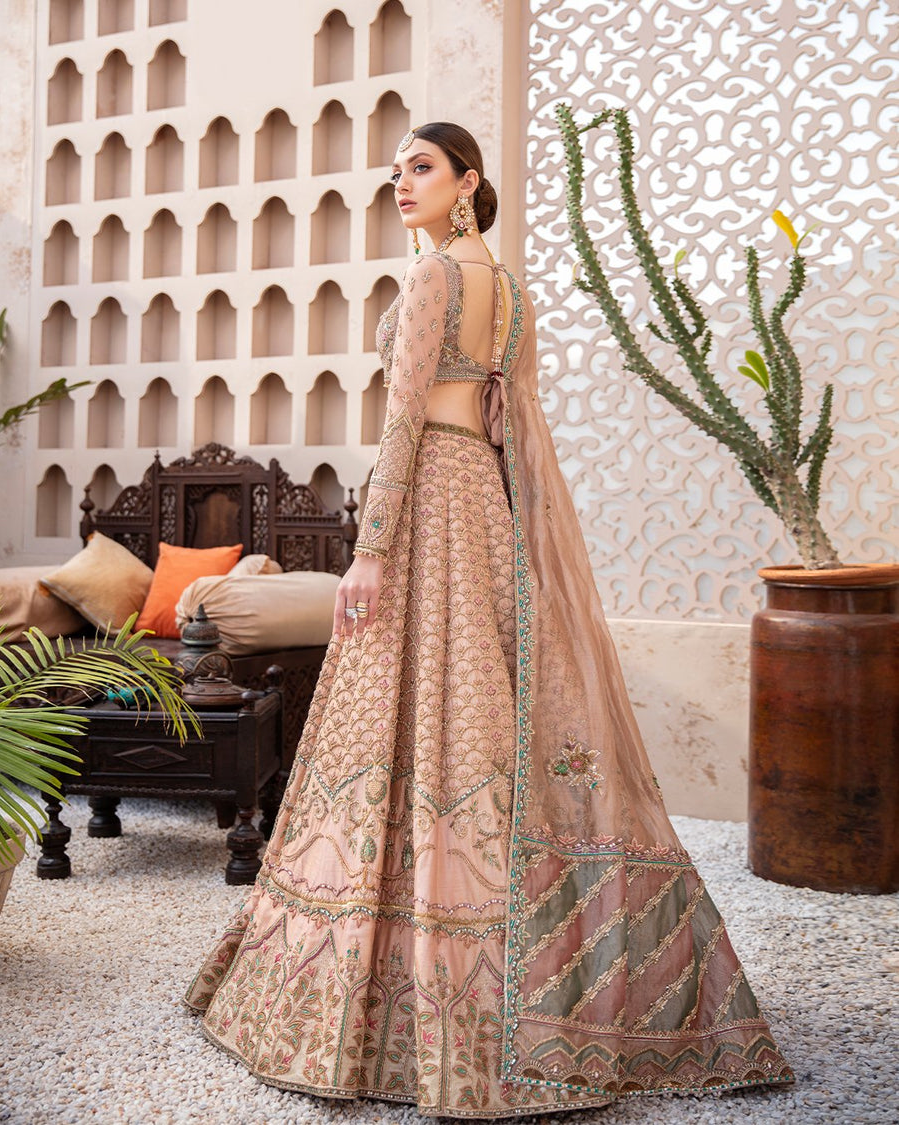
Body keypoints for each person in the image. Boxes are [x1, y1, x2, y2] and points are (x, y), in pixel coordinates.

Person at [185, 122, 793, 1117]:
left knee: (403, 717)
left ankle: (404, 986)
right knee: (479, 724)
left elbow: (403, 416)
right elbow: (510, 425)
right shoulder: (507, 288)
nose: (402, 183)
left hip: (430, 499)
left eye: (421, 167)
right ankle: (539, 974)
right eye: (395, 171)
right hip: (486, 508)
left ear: (468, 179)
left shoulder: (433, 275)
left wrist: (370, 549)